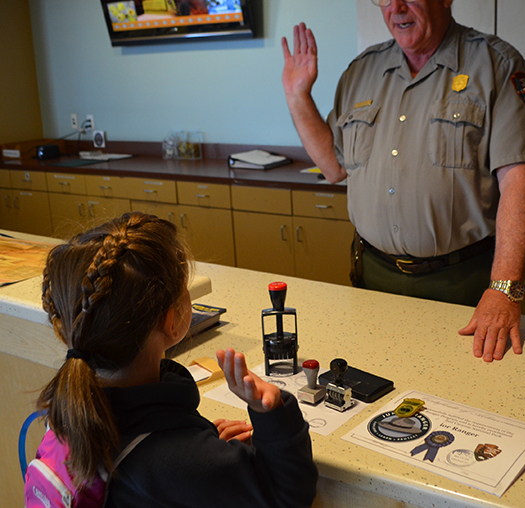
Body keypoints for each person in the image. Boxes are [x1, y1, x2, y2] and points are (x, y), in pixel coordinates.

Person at [281, 0, 525, 363]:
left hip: (461, 286)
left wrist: (504, 289)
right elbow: (335, 167)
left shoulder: (496, 65)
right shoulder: (361, 72)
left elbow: (519, 185)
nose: (396, 8)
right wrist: (299, 97)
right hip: (372, 278)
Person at [35, 212, 318, 508]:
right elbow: (288, 495)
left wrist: (199, 440)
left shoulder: (65, 411)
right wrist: (271, 413)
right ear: (174, 320)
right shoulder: (182, 460)